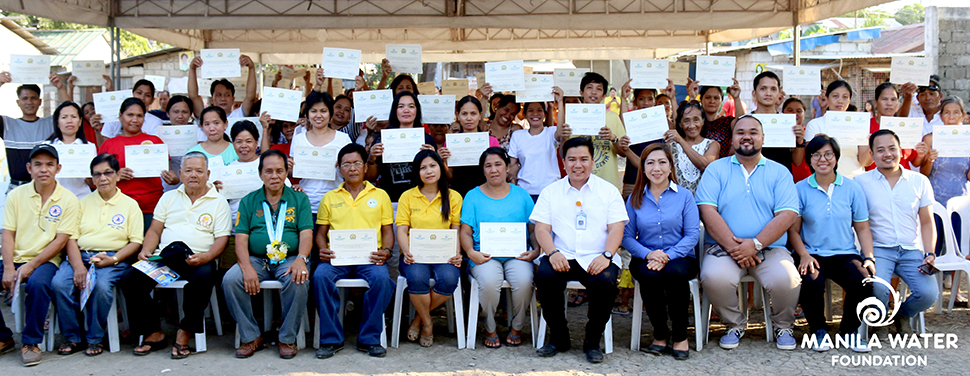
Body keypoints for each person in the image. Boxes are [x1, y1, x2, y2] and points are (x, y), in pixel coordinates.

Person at [695, 115, 800, 350]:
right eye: (740, 132)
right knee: (713, 277)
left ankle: (784, 325)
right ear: (731, 139)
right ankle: (735, 323)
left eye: (753, 132)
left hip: (770, 249)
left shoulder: (779, 172)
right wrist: (737, 248)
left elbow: (787, 215)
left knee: (788, 278)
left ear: (763, 137)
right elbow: (707, 210)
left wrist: (755, 244)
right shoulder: (715, 169)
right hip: (723, 248)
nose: (747, 136)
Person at [120, 152, 230, 358]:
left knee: (204, 277)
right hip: (166, 259)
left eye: (199, 171)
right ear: (180, 173)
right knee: (130, 278)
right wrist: (146, 250)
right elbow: (154, 230)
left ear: (208, 173)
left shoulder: (218, 201)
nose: (193, 175)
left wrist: (206, 257)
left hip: (199, 259)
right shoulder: (168, 197)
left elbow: (221, 239)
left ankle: (185, 332)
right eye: (188, 171)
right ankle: (153, 331)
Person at [531, 137, 628, 363]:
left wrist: (607, 255)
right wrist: (553, 253)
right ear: (564, 163)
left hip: (598, 256)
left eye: (584, 159)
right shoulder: (551, 192)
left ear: (592, 162)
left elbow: (617, 229)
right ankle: (559, 337)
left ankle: (592, 341)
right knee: (545, 276)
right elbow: (542, 229)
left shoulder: (608, 191)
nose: (578, 165)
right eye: (572, 159)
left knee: (605, 281)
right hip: (563, 254)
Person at [223, 149, 313, 359]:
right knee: (231, 280)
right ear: (260, 173)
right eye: (269, 171)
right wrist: (246, 268)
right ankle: (251, 336)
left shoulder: (299, 200)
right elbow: (241, 239)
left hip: (289, 259)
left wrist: (301, 259)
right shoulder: (248, 201)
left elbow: (306, 233)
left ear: (286, 172)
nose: (274, 176)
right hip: (256, 259)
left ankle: (287, 337)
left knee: (299, 278)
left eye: (280, 171)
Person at [788, 135, 875, 352]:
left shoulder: (852, 188)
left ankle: (849, 332)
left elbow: (862, 227)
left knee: (864, 282)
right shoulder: (800, 189)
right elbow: (793, 230)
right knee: (811, 282)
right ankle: (818, 331)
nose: (822, 159)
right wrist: (805, 255)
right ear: (809, 159)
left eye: (828, 154)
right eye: (816, 155)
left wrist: (869, 257)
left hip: (844, 253)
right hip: (812, 252)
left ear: (836, 157)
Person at [52, 153, 144, 356]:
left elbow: (136, 242)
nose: (102, 178)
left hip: (113, 259)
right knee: (60, 283)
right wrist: (78, 267)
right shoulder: (81, 203)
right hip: (80, 256)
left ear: (118, 175)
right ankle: (73, 337)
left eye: (108, 173)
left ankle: (95, 338)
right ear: (92, 179)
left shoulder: (130, 205)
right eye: (97, 175)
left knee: (101, 287)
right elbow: (71, 238)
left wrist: (113, 259)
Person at [313, 144, 395, 359]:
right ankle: (331, 339)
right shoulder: (330, 197)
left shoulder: (380, 195)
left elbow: (388, 231)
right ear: (339, 168)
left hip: (369, 259)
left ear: (365, 167)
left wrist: (386, 250)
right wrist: (323, 249)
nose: (352, 168)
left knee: (383, 279)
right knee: (320, 276)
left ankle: (368, 338)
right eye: (346, 164)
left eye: (357, 163)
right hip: (337, 258)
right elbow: (321, 233)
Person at [0, 144, 80, 366]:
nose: (43, 169)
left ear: (58, 168)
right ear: (29, 168)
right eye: (38, 165)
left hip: (46, 259)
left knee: (38, 284)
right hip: (15, 256)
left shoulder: (69, 199)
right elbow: (8, 233)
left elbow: (61, 240)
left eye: (49, 165)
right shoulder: (16, 195)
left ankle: (31, 342)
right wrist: (8, 267)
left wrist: (30, 265)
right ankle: (3, 338)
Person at [855, 129, 938, 334]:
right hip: (879, 250)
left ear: (901, 151)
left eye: (892, 148)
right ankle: (880, 320)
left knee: (929, 294)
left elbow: (927, 222)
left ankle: (900, 315)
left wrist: (929, 253)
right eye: (880, 150)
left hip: (911, 250)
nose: (887, 154)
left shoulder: (919, 181)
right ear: (872, 155)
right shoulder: (860, 183)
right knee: (879, 289)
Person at [621, 143, 699, 360]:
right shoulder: (634, 198)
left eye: (662, 162)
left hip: (680, 256)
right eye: (650, 163)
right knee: (649, 274)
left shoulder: (684, 196)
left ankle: (681, 336)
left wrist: (667, 256)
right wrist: (648, 254)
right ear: (643, 168)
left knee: (674, 273)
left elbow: (692, 235)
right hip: (645, 256)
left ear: (671, 166)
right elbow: (626, 237)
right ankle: (660, 334)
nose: (657, 168)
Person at [462, 147, 538, 348]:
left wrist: (536, 250)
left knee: (524, 280)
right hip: (484, 255)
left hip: (517, 254)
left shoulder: (522, 195)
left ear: (507, 167)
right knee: (488, 282)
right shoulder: (472, 196)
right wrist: (471, 252)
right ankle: (490, 326)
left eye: (498, 164)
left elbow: (532, 230)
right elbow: (466, 232)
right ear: (483, 170)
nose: (494, 170)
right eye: (488, 166)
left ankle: (517, 327)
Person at [396, 150, 463, 347]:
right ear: (417, 172)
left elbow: (456, 229)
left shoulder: (453, 197)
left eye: (433, 166)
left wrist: (457, 253)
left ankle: (419, 320)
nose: (429, 171)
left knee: (450, 278)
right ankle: (428, 323)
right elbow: (401, 229)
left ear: (441, 168)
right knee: (417, 278)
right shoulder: (408, 197)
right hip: (415, 254)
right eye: (423, 167)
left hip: (444, 253)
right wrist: (406, 251)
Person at [97, 98, 181, 226]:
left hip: (152, 207)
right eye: (130, 115)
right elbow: (98, 177)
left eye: (139, 116)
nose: (134, 120)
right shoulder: (109, 144)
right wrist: (116, 175)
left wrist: (173, 178)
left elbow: (171, 176)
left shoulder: (155, 141)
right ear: (120, 116)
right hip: (118, 207)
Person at [553, 72, 627, 190]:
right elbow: (563, 154)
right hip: (578, 185)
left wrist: (613, 138)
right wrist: (564, 138)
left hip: (608, 185)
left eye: (598, 89)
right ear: (581, 92)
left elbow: (624, 153)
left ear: (604, 95)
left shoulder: (613, 117)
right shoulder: (571, 118)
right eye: (589, 88)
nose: (593, 92)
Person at [0, 73, 71, 191]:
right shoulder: (7, 124)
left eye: (33, 98)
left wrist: (61, 87)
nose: (29, 102)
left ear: (40, 101)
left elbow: (69, 111)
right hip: (17, 189)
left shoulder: (50, 123)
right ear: (18, 102)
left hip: (46, 189)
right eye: (25, 98)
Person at [365, 91, 438, 202]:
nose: (406, 110)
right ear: (395, 110)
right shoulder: (382, 139)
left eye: (411, 106)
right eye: (401, 106)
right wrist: (372, 158)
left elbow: (437, 175)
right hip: (390, 201)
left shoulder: (427, 140)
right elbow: (371, 177)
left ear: (417, 111)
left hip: (421, 200)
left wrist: (433, 157)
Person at [290, 91, 352, 219]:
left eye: (323, 111)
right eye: (313, 111)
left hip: (336, 203)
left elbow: (352, 171)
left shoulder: (343, 139)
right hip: (306, 204)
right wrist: (288, 166)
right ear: (307, 114)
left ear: (330, 113)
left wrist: (342, 167)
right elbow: (292, 172)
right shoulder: (299, 139)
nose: (318, 115)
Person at [797, 81, 867, 179]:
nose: (840, 101)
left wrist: (869, 144)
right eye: (835, 96)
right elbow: (809, 159)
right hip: (825, 182)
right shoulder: (815, 125)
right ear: (827, 98)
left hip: (854, 181)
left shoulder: (858, 125)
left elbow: (865, 162)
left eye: (845, 97)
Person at [860, 82, 926, 172]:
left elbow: (915, 162)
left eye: (893, 99)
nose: (889, 103)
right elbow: (864, 162)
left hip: (902, 181)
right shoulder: (866, 126)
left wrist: (921, 154)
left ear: (898, 104)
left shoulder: (906, 127)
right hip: (874, 181)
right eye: (884, 99)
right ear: (875, 102)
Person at [442, 96, 501, 195]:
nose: (469, 118)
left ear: (480, 115)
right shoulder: (451, 142)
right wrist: (442, 161)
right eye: (464, 114)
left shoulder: (491, 142)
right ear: (458, 116)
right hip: (459, 194)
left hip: (487, 193)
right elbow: (450, 176)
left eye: (473, 113)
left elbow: (498, 172)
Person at [509, 101, 563, 201]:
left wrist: (559, 102)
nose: (535, 114)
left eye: (539, 110)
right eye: (530, 110)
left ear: (545, 115)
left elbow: (561, 132)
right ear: (524, 114)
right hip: (524, 192)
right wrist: (514, 193)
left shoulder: (551, 132)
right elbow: (512, 167)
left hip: (550, 191)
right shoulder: (517, 135)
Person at [921, 96, 969, 206]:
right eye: (947, 113)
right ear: (940, 116)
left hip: (961, 200)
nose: (951, 117)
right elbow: (923, 174)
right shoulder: (930, 139)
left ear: (963, 116)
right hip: (934, 199)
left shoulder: (968, 140)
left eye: (956, 112)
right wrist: (929, 160)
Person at [750, 71, 803, 170]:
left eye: (773, 89)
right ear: (754, 94)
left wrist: (799, 142)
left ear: (779, 93)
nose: (768, 93)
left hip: (781, 178)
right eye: (763, 88)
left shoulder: (787, 121)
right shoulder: (746, 121)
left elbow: (797, 162)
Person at [663, 101, 718, 193]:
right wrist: (629, 150)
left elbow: (704, 165)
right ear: (680, 124)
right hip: (677, 201)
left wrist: (680, 140)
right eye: (686, 121)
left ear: (703, 121)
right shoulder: (671, 145)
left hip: (703, 202)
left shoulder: (712, 144)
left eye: (696, 120)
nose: (692, 126)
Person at [45, 101, 94, 198]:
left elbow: (90, 182)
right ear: (57, 122)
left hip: (81, 198)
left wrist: (88, 173)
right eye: (64, 117)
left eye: (74, 117)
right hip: (53, 199)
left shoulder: (89, 147)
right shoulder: (46, 147)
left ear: (80, 122)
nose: (69, 121)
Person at [187, 54, 258, 118]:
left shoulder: (239, 115)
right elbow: (193, 97)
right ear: (211, 99)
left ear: (233, 99)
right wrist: (192, 68)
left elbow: (250, 97)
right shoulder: (205, 116)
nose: (223, 99)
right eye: (218, 95)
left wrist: (251, 68)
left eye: (227, 95)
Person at [689, 78, 744, 158]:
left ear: (722, 101)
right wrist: (692, 97)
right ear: (701, 99)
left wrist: (736, 97)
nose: (712, 101)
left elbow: (742, 124)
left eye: (716, 98)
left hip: (723, 167)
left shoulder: (727, 122)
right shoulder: (695, 123)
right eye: (708, 97)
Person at [94, 79, 165, 138]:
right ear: (120, 116)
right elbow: (105, 145)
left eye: (147, 95)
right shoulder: (113, 117)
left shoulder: (155, 122)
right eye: (139, 93)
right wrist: (97, 131)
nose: (142, 97)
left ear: (152, 100)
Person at [784, 97, 813, 182]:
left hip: (805, 182)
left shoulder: (809, 133)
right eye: (790, 110)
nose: (794, 113)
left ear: (804, 115)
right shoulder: (777, 133)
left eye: (799, 111)